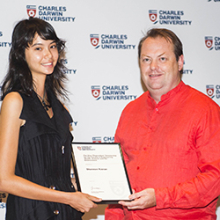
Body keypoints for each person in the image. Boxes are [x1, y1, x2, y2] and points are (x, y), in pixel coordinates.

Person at [105, 28, 220, 219]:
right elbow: (119, 176)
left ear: (180, 62)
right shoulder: (130, 111)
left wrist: (159, 197)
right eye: (146, 59)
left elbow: (215, 179)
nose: (153, 67)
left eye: (162, 59)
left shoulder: (205, 110)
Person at [0, 17, 101, 220]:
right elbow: (4, 180)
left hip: (65, 213)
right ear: (22, 54)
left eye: (52, 46)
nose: (48, 55)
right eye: (38, 48)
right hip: (30, 214)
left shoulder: (58, 106)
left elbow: (56, 175)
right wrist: (67, 197)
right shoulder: (15, 101)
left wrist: (84, 187)